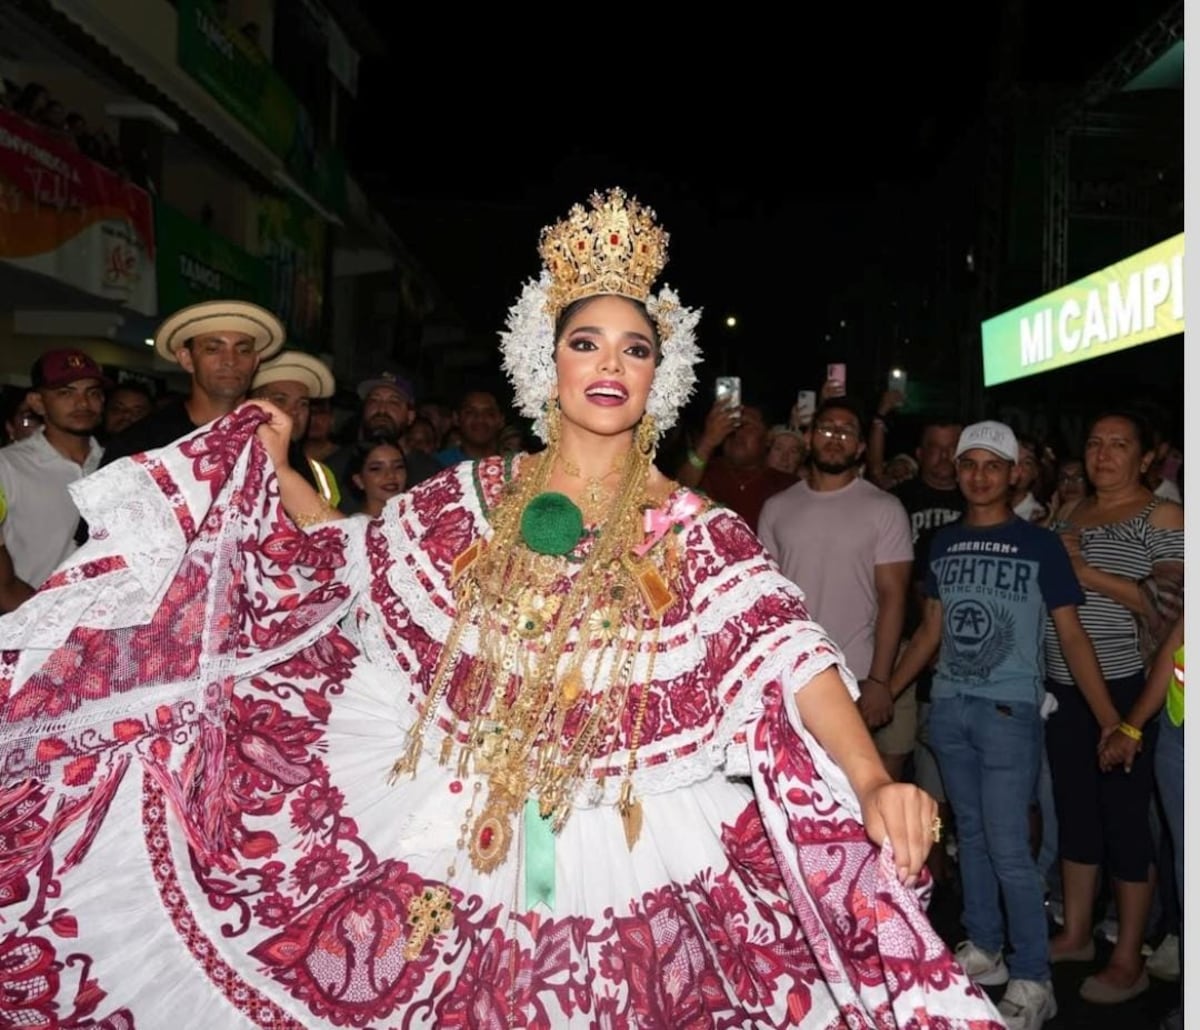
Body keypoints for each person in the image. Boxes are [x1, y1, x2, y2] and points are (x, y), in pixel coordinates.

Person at [0, 189, 1002, 1028]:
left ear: (658, 376)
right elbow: (348, 553)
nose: (609, 364)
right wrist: (273, 466)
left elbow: (787, 655)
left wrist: (873, 778)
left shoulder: (697, 529)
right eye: (586, 341)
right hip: (443, 811)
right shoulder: (474, 493)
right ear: (547, 362)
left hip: (622, 840)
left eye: (634, 349)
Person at [889, 421, 1120, 1030]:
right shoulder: (942, 543)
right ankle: (987, 948)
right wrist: (887, 687)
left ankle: (1034, 977)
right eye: (970, 464)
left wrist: (1110, 721)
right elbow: (931, 630)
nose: (980, 475)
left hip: (1009, 711)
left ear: (1014, 473)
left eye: (993, 465)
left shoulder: (1040, 544)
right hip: (950, 707)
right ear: (958, 470)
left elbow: (1071, 635)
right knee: (969, 837)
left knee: (1011, 848)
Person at [346, 434, 408, 518]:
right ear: (359, 480)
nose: (391, 475)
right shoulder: (351, 525)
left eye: (398, 467)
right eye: (376, 469)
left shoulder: (418, 519)